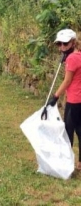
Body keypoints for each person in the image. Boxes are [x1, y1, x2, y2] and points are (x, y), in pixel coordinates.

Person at [46, 28, 81, 170]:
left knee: (68, 130)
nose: (62, 47)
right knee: (80, 130)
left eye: (65, 44)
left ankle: (67, 164)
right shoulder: (78, 55)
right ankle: (79, 163)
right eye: (59, 44)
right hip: (79, 99)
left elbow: (67, 81)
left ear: (73, 43)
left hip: (74, 100)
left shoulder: (72, 58)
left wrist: (55, 97)